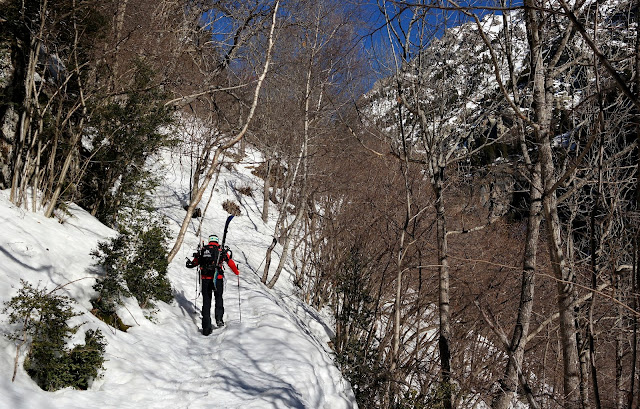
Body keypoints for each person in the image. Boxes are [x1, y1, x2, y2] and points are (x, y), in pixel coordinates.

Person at [186, 234, 240, 335]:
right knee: (218, 297)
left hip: (205, 279)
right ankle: (219, 319)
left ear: (209, 241)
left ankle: (206, 328)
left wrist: (190, 263)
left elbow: (195, 262)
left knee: (206, 301)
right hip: (217, 278)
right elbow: (230, 262)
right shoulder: (220, 250)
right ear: (217, 241)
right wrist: (237, 272)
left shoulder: (203, 250)